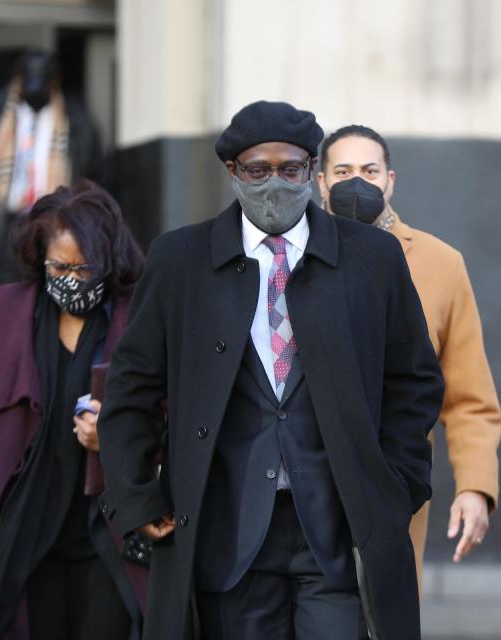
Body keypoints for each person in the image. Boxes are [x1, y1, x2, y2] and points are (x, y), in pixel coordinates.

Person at [96, 100, 445, 640]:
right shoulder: (180, 260)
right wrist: (137, 495)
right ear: (233, 172)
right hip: (225, 534)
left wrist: (396, 484)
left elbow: (414, 379)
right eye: (258, 170)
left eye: (291, 169)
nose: (275, 184)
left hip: (339, 530)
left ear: (312, 170)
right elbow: (132, 386)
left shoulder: (371, 257)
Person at [0, 181, 146, 640]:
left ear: (108, 261)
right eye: (60, 267)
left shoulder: (138, 314)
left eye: (84, 268)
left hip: (109, 537)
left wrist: (113, 437)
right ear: (40, 257)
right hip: (23, 535)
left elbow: (172, 416)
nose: (72, 280)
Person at [316, 125, 501, 585]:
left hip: (392, 484)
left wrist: (475, 487)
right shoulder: (287, 255)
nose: (356, 182)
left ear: (390, 180)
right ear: (320, 181)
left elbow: (468, 397)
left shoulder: (440, 264)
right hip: (297, 479)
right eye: (342, 171)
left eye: (369, 170)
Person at [0, 50, 103, 319]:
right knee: (0, 302)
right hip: (1, 226)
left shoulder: (78, 121)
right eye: (29, 80)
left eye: (44, 81)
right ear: (17, 78)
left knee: (51, 302)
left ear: (55, 81)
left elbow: (95, 175)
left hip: (57, 224)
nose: (36, 89)